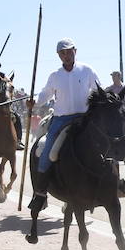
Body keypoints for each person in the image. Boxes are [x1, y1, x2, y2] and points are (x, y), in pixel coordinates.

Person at [28, 37, 104, 192]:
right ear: (58, 56)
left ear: (75, 51)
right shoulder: (55, 76)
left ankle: (114, 184)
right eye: (63, 53)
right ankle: (40, 192)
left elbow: (99, 90)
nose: (66, 55)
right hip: (61, 120)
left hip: (84, 118)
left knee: (107, 143)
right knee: (47, 152)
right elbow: (45, 94)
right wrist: (34, 102)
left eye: (69, 52)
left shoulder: (87, 70)